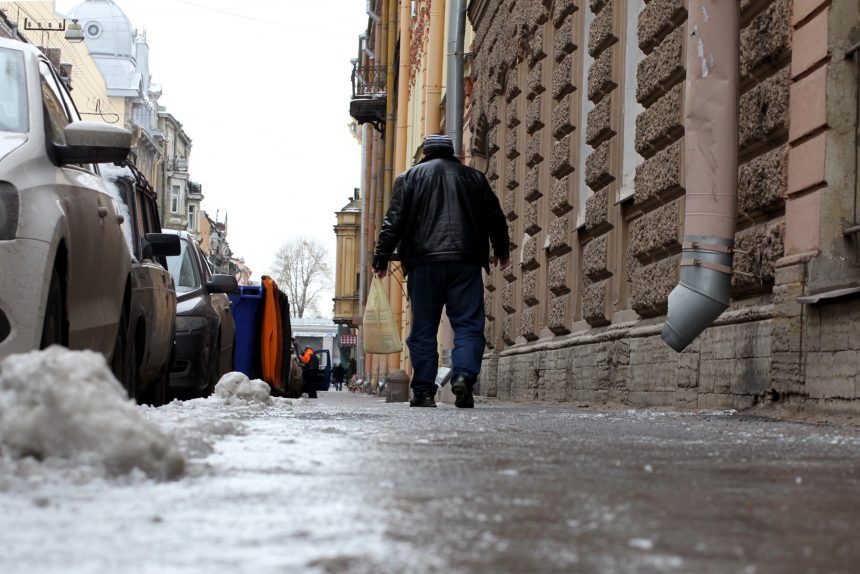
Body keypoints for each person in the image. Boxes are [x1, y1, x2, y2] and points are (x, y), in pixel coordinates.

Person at [372, 134, 510, 408]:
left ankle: (423, 392)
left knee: (423, 328)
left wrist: (381, 257)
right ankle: (464, 376)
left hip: (424, 264)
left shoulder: (409, 178)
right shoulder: (473, 178)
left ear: (425, 153)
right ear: (453, 154)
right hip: (466, 261)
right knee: (469, 325)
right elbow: (494, 215)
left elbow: (393, 221)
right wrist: (501, 249)